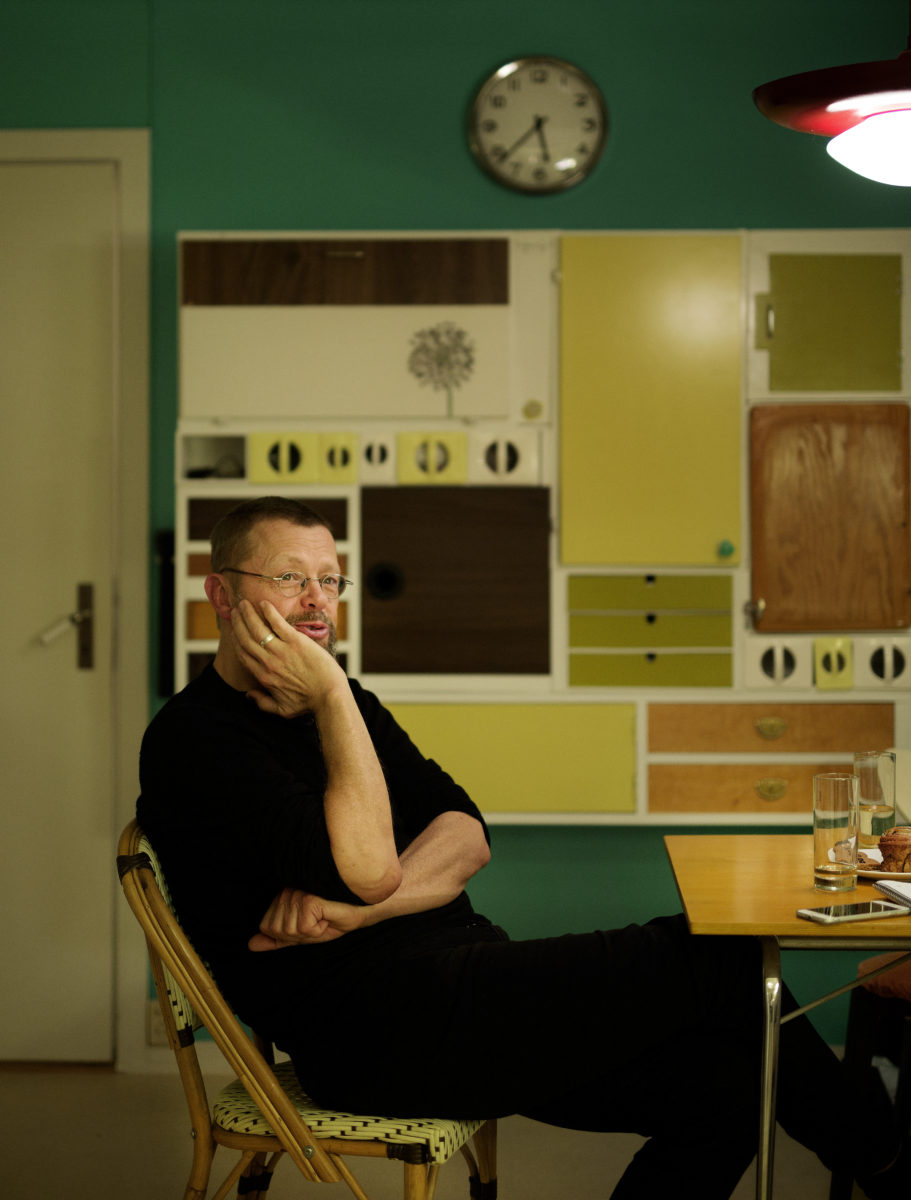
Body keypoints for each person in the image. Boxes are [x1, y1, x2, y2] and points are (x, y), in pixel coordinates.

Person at [139, 496, 908, 1199]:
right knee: (725, 961)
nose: (316, 601)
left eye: (329, 581)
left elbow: (465, 835)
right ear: (221, 595)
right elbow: (370, 869)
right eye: (289, 578)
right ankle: (889, 1167)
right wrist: (332, 694)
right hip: (375, 1034)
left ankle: (880, 1162)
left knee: (732, 1085)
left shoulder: (344, 709)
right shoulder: (196, 741)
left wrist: (359, 911)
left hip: (464, 988)